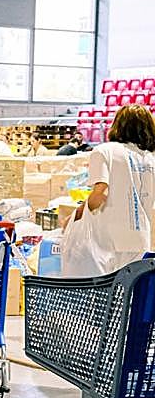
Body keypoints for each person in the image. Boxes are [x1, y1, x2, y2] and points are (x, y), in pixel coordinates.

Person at [59, 105, 155, 277]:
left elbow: (100, 194)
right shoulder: (150, 158)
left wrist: (74, 217)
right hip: (140, 239)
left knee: (104, 297)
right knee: (128, 297)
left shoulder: (105, 151)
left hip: (107, 241)